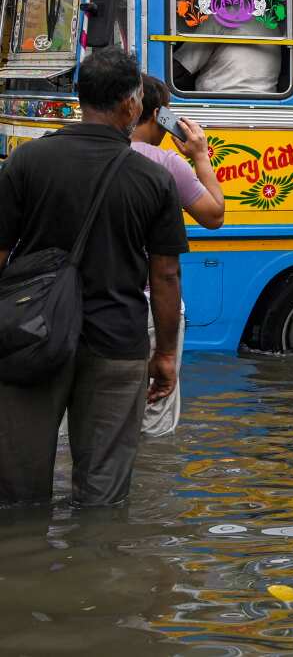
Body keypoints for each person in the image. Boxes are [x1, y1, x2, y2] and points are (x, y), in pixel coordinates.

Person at [0, 48, 186, 507]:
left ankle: (27, 571)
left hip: (30, 339)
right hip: (117, 345)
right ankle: (100, 569)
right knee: (103, 498)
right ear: (131, 105)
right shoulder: (152, 178)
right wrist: (164, 355)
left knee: (17, 496)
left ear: (80, 98)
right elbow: (165, 275)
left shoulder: (27, 161)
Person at [130, 74, 226, 436]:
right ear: (156, 114)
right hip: (151, 309)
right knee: (152, 416)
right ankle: (150, 491)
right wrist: (200, 155)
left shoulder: (90, 155)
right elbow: (214, 214)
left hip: (93, 306)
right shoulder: (166, 163)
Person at [173, 42, 282, 94]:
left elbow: (181, 68)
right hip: (266, 99)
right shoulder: (270, 23)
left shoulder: (222, 17)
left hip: (216, 99)